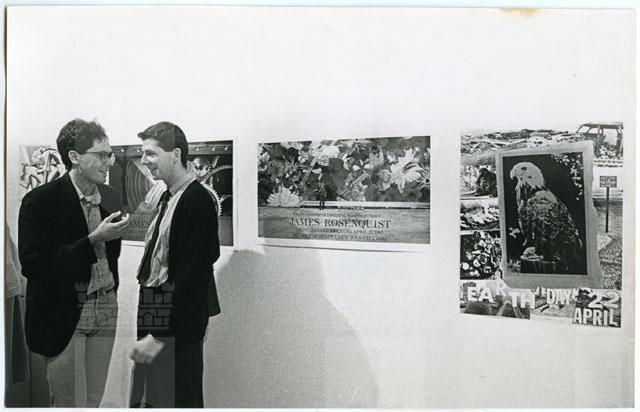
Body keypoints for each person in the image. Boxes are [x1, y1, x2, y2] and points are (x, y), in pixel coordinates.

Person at [18, 119, 130, 407]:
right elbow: (33, 265)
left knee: (93, 400)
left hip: (106, 306)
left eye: (110, 155)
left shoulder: (110, 196)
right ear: (74, 157)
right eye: (101, 155)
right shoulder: (39, 202)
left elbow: (112, 255)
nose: (109, 162)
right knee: (69, 402)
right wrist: (92, 239)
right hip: (64, 311)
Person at [129, 121, 221, 408]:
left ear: (176, 154)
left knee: (177, 399)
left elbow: (193, 278)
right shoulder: (168, 196)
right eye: (143, 154)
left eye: (151, 153)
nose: (144, 160)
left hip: (175, 327)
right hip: (158, 316)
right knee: (152, 399)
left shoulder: (197, 200)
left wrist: (158, 335)